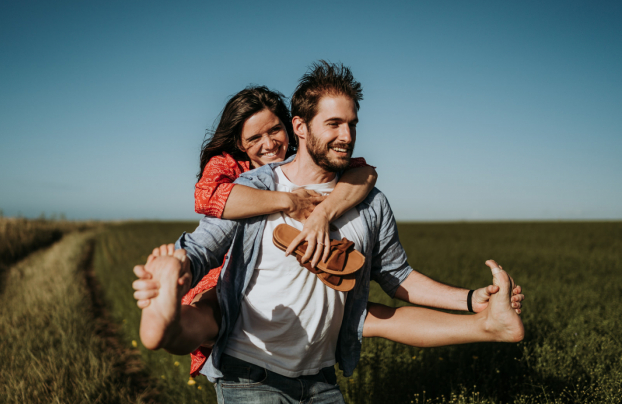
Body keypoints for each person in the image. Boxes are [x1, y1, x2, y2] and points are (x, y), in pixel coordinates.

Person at [137, 62, 525, 403]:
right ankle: (168, 322)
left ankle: (490, 325)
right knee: (207, 311)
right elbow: (204, 243)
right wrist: (177, 263)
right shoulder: (254, 188)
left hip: (321, 381)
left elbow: (397, 277)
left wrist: (472, 298)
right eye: (334, 124)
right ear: (301, 127)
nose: (347, 134)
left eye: (352, 123)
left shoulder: (369, 201)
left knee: (380, 317)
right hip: (250, 377)